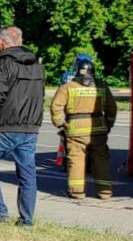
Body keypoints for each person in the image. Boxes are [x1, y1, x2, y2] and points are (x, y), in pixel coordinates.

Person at [0, 26, 45, 226]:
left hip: (5, 126)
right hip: (30, 127)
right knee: (27, 174)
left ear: (1, 43)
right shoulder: (36, 64)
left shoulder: (3, 63)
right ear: (21, 41)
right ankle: (27, 221)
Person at [50, 58, 117, 200]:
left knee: (76, 160)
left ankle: (76, 191)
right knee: (101, 160)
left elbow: (56, 107)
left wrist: (61, 124)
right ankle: (105, 191)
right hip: (98, 130)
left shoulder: (67, 88)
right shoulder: (102, 87)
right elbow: (112, 108)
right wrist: (108, 124)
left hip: (75, 130)